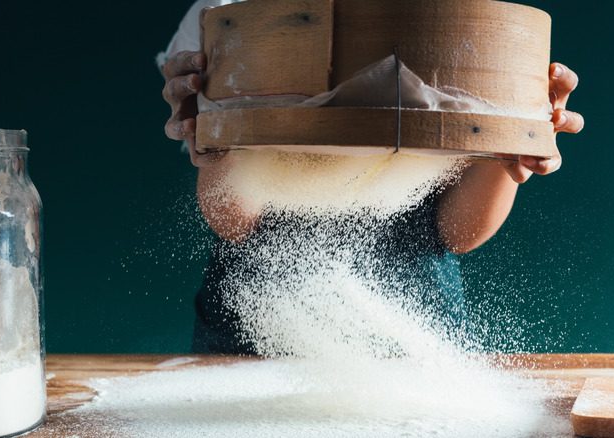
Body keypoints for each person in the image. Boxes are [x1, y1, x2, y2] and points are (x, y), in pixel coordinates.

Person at [160, 2, 584, 354]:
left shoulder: (468, 16)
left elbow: (459, 231)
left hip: (416, 338)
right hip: (251, 333)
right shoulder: (232, 11)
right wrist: (215, 131)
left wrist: (514, 136)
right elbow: (235, 219)